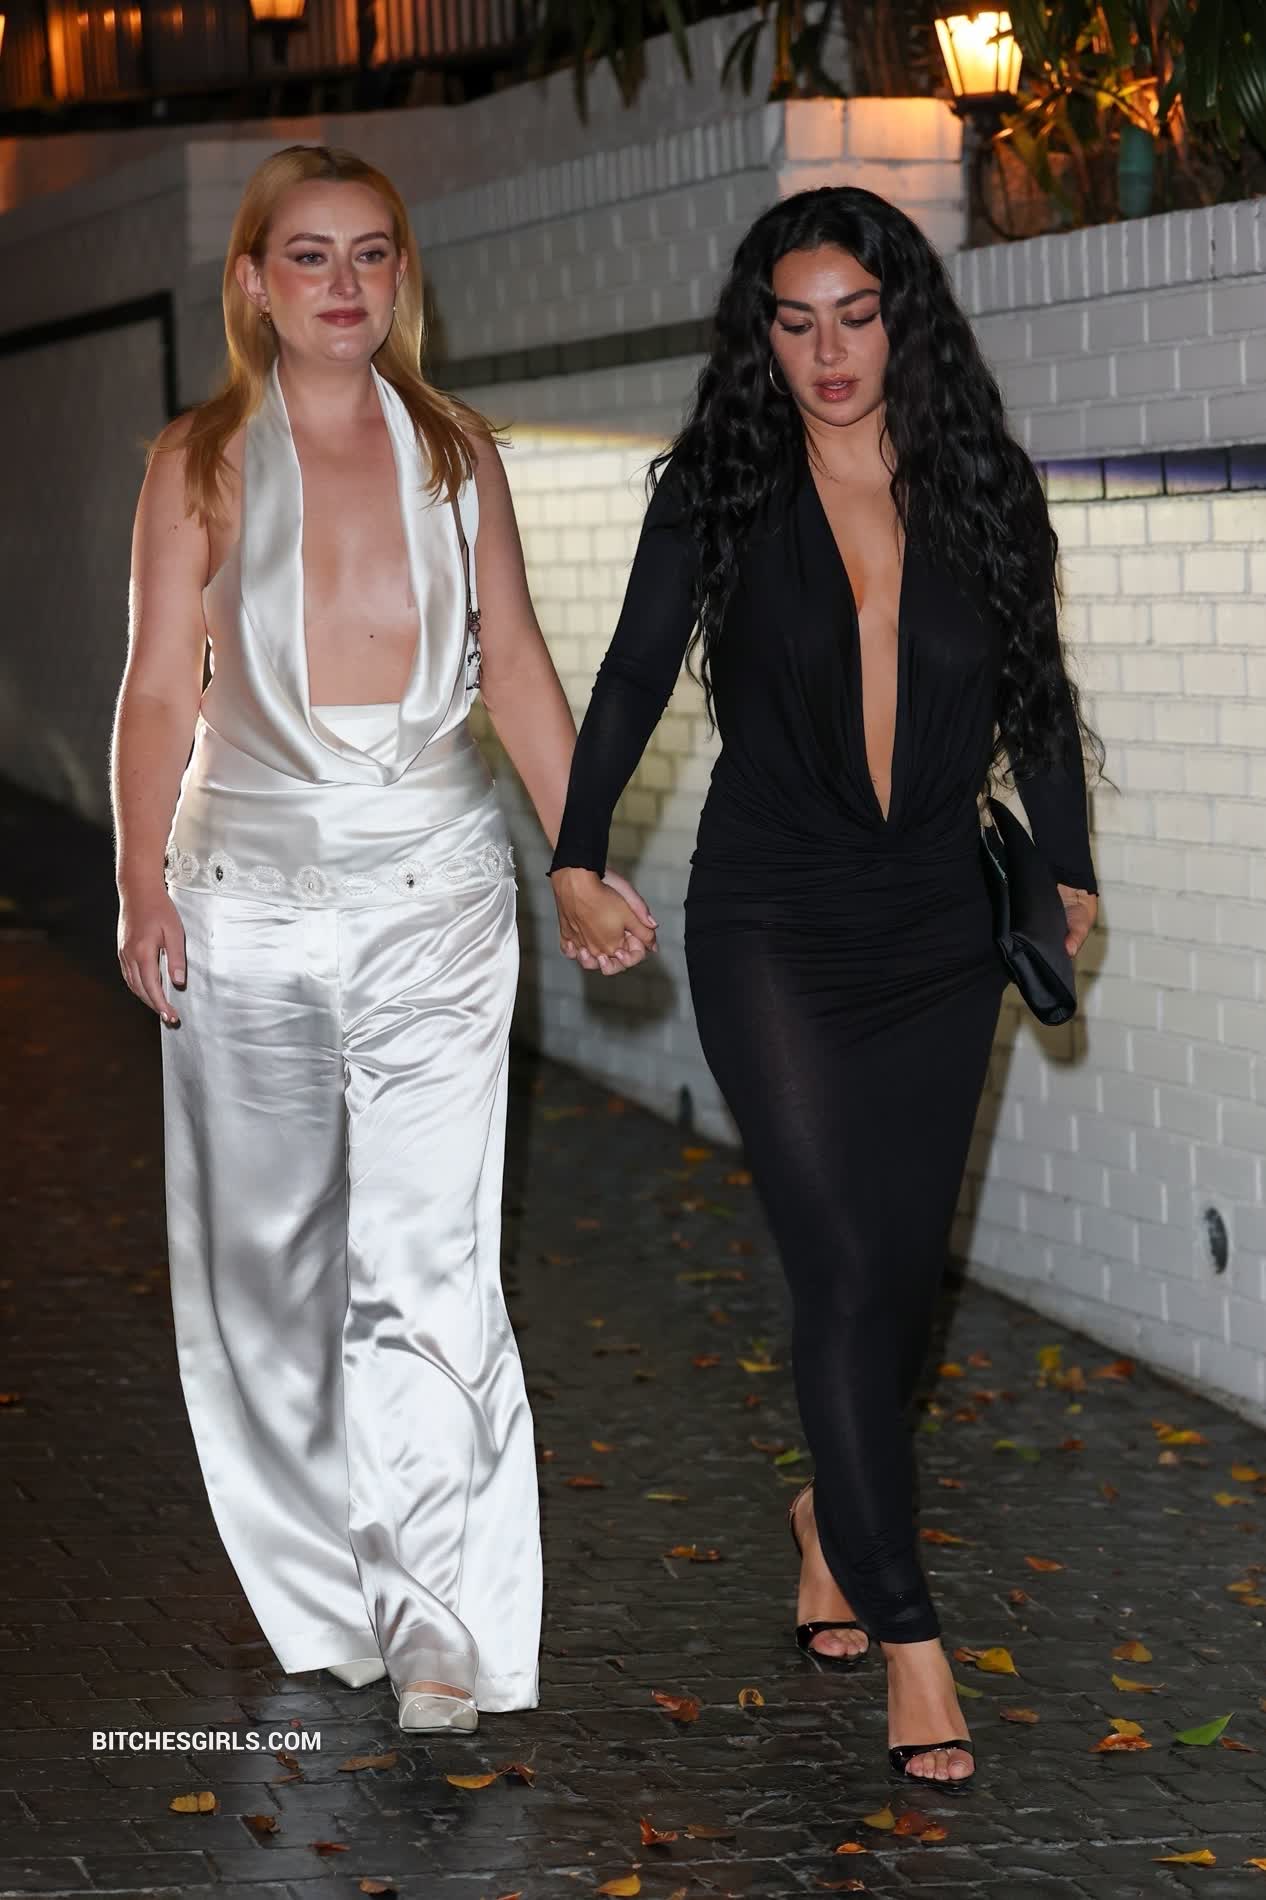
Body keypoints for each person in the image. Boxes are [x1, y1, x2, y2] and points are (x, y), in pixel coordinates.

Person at [548, 186, 1100, 1790]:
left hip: (935, 926)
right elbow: (634, 672)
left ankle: (824, 1516)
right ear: (760, 339)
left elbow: (1036, 696)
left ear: (901, 319)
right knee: (843, 1263)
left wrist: (1067, 867)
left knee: (897, 1279)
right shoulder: (718, 487)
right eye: (794, 324)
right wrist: (577, 852)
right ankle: (912, 1635)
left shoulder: (981, 484)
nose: (828, 351)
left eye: (855, 316)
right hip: (772, 918)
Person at [111, 142, 653, 1734]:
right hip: (246, 905)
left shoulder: (455, 454)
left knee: (429, 1262)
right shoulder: (198, 460)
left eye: (370, 255)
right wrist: (139, 880)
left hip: (437, 900)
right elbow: (156, 689)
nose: (342, 284)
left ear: (401, 278)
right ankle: (323, 1584)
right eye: (310, 256)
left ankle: (433, 1617)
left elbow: (517, 664)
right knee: (269, 1272)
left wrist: (576, 857)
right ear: (253, 282)